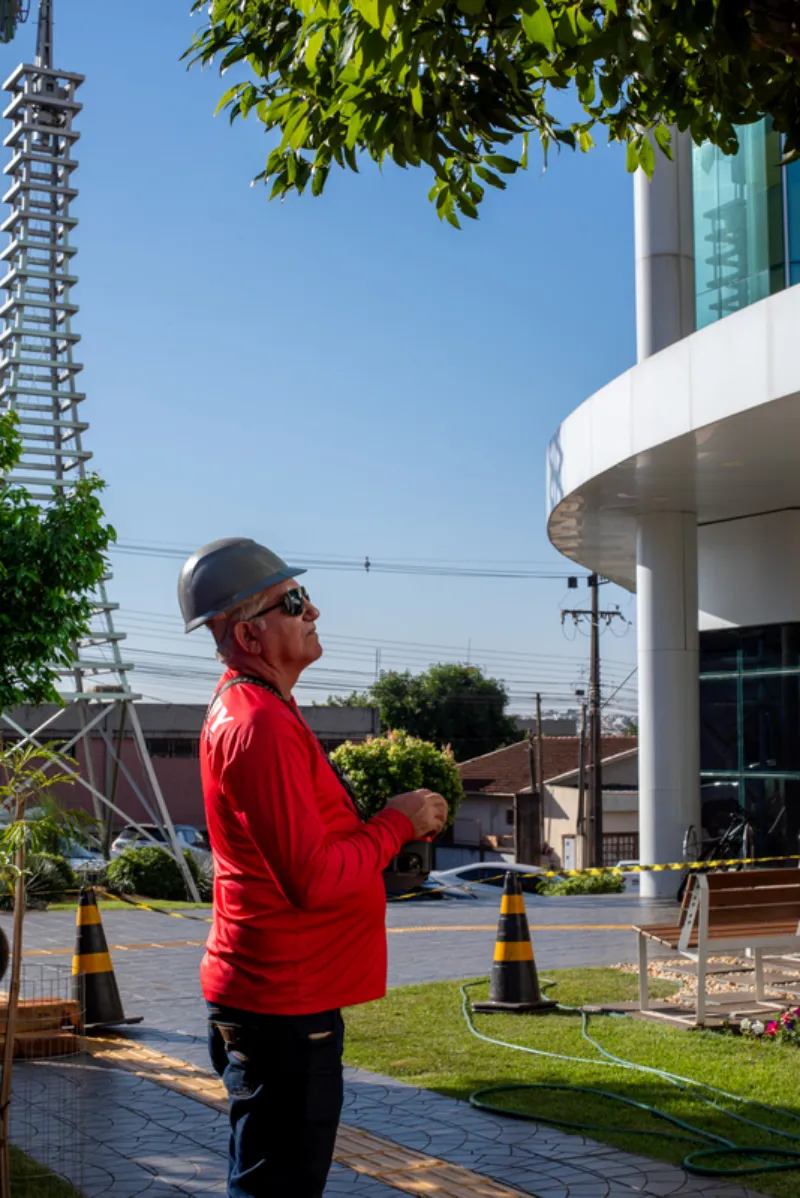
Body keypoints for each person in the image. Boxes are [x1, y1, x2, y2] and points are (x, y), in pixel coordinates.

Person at [178, 537, 448, 1198]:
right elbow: (313, 878)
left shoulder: (265, 711)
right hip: (282, 1008)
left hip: (284, 1000)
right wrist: (396, 823)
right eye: (293, 601)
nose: (314, 611)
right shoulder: (257, 725)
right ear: (250, 632)